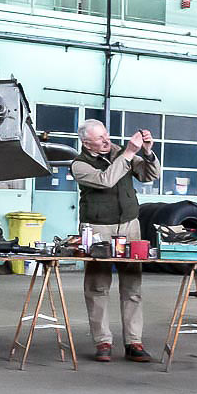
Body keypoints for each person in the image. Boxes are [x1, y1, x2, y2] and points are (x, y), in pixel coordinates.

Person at [70, 119, 160, 362]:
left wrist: (148, 152)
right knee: (98, 286)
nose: (106, 140)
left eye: (106, 135)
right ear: (85, 142)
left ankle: (134, 342)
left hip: (129, 225)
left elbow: (150, 175)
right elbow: (105, 180)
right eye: (99, 139)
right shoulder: (78, 165)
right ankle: (103, 342)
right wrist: (130, 152)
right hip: (98, 227)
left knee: (132, 285)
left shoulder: (120, 151)